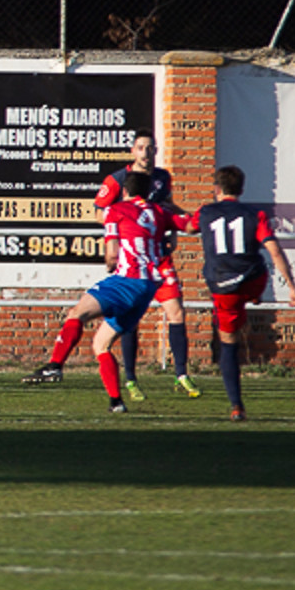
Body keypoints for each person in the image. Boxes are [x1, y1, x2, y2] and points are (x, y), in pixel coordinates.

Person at [24, 170, 179, 412]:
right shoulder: (159, 212)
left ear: (124, 191)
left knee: (77, 313)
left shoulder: (116, 210)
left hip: (126, 280)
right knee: (101, 344)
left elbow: (111, 255)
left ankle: (55, 364)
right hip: (149, 287)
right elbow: (187, 223)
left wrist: (110, 264)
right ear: (148, 192)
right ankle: (116, 402)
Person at [195, 165, 295, 421]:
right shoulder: (255, 215)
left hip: (223, 286)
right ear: (241, 189)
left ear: (217, 189)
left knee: (228, 341)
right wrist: (291, 287)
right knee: (255, 273)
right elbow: (274, 250)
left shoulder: (205, 213)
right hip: (253, 280)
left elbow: (186, 225)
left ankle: (236, 406)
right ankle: (252, 299)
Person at [95, 133, 195, 400]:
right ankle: (130, 379)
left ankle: (181, 376)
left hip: (159, 257)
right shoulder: (118, 180)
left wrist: (174, 229)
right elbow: (100, 211)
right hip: (132, 261)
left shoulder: (162, 177)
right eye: (141, 148)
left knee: (176, 311)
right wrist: (122, 236)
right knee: (130, 319)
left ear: (156, 150)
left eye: (150, 148)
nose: (146, 153)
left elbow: (168, 208)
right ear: (133, 151)